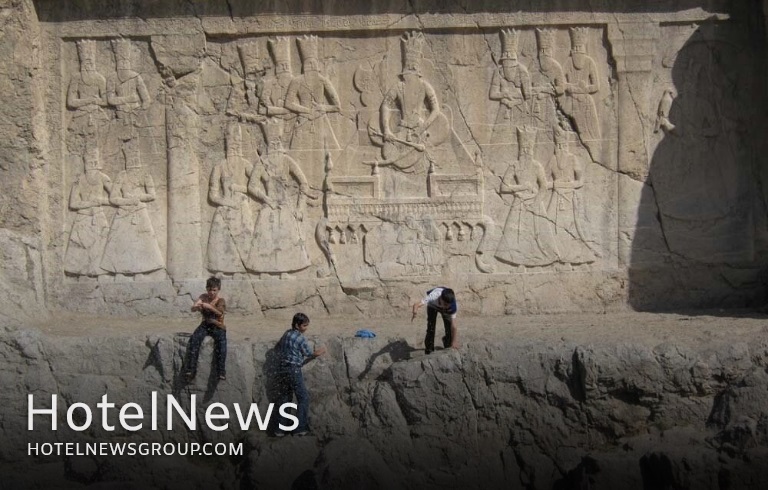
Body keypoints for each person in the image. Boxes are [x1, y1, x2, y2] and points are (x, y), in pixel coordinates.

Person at [273, 313, 326, 437]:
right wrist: (321, 351)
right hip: (293, 370)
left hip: (282, 369)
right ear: (297, 325)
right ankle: (300, 428)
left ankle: (280, 429)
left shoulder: (287, 334)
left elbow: (279, 346)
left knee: (285, 398)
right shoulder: (300, 338)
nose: (306, 328)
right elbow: (309, 353)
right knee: (303, 398)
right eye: (304, 325)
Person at [184, 277, 227, 381]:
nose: (211, 292)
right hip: (205, 324)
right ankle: (191, 370)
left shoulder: (220, 301)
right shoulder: (203, 297)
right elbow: (193, 308)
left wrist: (209, 306)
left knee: (221, 343)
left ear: (218, 289)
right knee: (194, 340)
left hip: (217, 326)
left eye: (214, 290)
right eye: (209, 289)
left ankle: (221, 371)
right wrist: (196, 307)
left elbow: (220, 312)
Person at [411, 287, 458, 354]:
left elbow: (454, 326)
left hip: (446, 309)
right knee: (431, 328)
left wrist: (454, 341)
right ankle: (429, 350)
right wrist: (414, 312)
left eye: (448, 305)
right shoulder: (433, 296)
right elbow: (416, 304)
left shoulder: (452, 306)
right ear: (440, 298)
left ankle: (447, 345)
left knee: (449, 326)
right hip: (432, 306)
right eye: (445, 304)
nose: (445, 306)